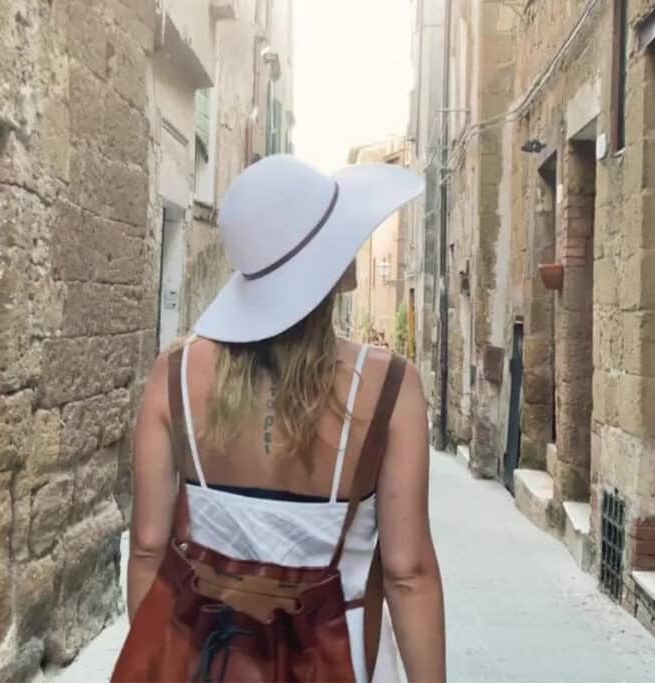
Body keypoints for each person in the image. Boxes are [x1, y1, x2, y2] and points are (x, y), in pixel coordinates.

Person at [125, 154, 446, 682]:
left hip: (210, 663)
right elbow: (407, 574)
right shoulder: (389, 387)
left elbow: (147, 547)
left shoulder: (176, 375)